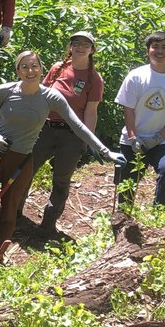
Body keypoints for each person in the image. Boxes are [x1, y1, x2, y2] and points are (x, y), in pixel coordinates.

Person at [0, 51, 125, 260]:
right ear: (17, 71)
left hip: (22, 158)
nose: (30, 71)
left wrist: (104, 150)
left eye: (34, 66)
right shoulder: (5, 91)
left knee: (9, 209)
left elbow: (77, 124)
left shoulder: (51, 97)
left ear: (42, 69)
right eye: (24, 66)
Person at [26, 31, 105, 234]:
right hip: (45, 128)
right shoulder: (58, 68)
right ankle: (13, 213)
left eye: (85, 45)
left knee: (61, 179)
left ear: (92, 50)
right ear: (70, 47)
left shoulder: (94, 79)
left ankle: (48, 224)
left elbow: (91, 112)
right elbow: (40, 96)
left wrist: (89, 140)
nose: (80, 47)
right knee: (27, 171)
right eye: (76, 43)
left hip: (71, 135)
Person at [114, 31, 165, 208]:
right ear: (147, 51)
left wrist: (159, 137)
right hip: (134, 137)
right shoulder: (136, 76)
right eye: (155, 47)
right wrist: (133, 138)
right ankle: (123, 216)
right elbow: (128, 109)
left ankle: (160, 213)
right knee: (128, 180)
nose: (160, 51)